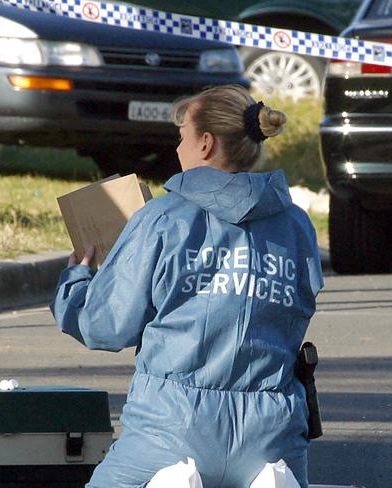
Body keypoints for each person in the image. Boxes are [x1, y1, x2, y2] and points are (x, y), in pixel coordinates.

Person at [50, 85, 324, 488]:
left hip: (170, 429)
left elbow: (105, 326)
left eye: (182, 137)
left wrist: (77, 280)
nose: (177, 149)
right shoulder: (297, 224)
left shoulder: (162, 218)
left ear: (206, 143)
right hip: (272, 436)